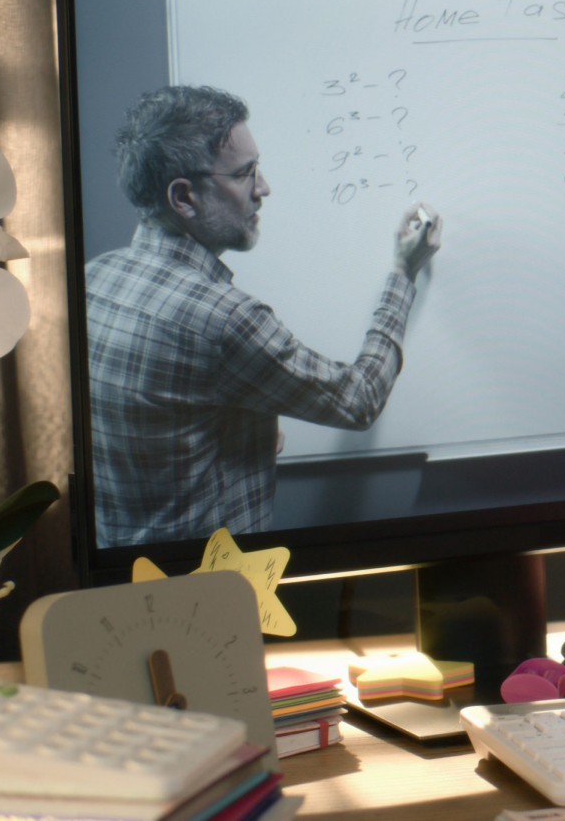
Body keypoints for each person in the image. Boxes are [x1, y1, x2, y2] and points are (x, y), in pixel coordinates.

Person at [87, 85, 443, 547]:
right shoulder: (224, 318)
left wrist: (242, 429)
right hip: (211, 600)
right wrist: (402, 273)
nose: (263, 188)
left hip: (129, 589)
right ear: (184, 198)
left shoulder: (95, 278)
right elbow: (359, 399)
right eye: (244, 173)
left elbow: (155, 432)